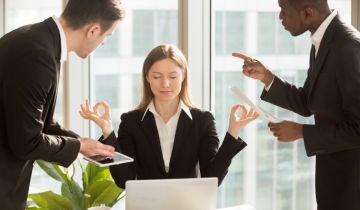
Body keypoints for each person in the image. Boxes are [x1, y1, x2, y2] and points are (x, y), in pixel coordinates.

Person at [233, 0, 360, 210]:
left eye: (284, 12)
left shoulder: (348, 47)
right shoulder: (323, 40)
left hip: (353, 194)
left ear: (307, 13)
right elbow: (308, 102)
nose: (281, 18)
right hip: (333, 188)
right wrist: (267, 77)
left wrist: (302, 131)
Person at [0, 0, 125, 210]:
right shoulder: (37, 55)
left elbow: (37, 121)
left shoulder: (35, 39)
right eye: (107, 35)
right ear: (93, 30)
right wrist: (77, 146)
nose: (104, 42)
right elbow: (27, 142)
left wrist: (83, 143)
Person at [80, 44, 258, 188]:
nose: (165, 84)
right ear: (147, 77)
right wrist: (107, 131)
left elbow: (213, 178)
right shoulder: (131, 121)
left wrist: (233, 131)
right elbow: (124, 180)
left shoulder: (202, 121)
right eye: (157, 76)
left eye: (172, 76)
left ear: (183, 76)